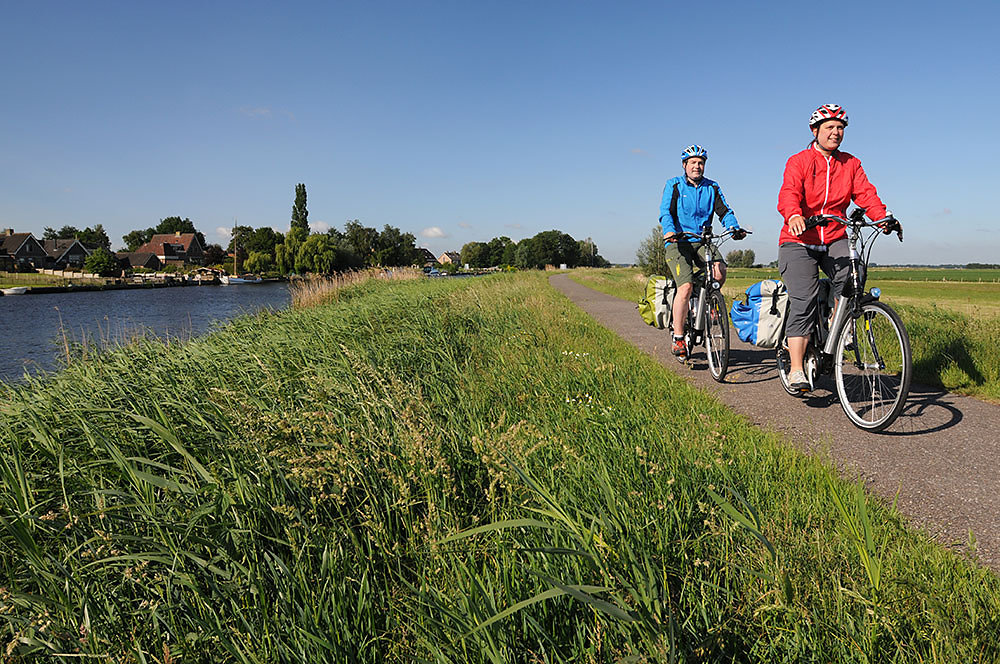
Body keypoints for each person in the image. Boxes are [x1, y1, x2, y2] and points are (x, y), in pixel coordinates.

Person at [777, 104, 901, 393]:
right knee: (804, 300)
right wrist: (794, 214)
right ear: (815, 131)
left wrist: (881, 217)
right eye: (830, 127)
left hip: (834, 235)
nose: (836, 132)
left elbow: (866, 193)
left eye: (840, 128)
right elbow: (789, 192)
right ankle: (796, 368)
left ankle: (838, 322)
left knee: (854, 272)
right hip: (799, 240)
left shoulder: (851, 163)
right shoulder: (800, 161)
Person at [659, 145, 746, 359]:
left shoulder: (712, 187)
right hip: (678, 241)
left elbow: (724, 210)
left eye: (700, 163)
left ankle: (704, 302)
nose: (697, 166)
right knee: (685, 286)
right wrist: (669, 231)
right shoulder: (674, 185)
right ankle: (678, 337)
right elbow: (666, 211)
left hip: (702, 239)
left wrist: (733, 227)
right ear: (684, 165)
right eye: (693, 163)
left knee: (719, 271)